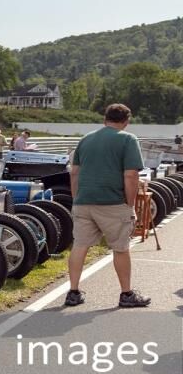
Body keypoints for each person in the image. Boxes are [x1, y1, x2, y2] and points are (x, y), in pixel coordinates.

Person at [63, 103, 148, 307]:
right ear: (126, 122)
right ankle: (126, 294)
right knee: (120, 248)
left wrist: (77, 199)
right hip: (112, 202)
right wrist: (130, 204)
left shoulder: (86, 139)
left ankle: (73, 292)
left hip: (84, 201)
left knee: (80, 245)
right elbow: (131, 175)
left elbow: (74, 172)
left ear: (104, 119)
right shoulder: (128, 139)